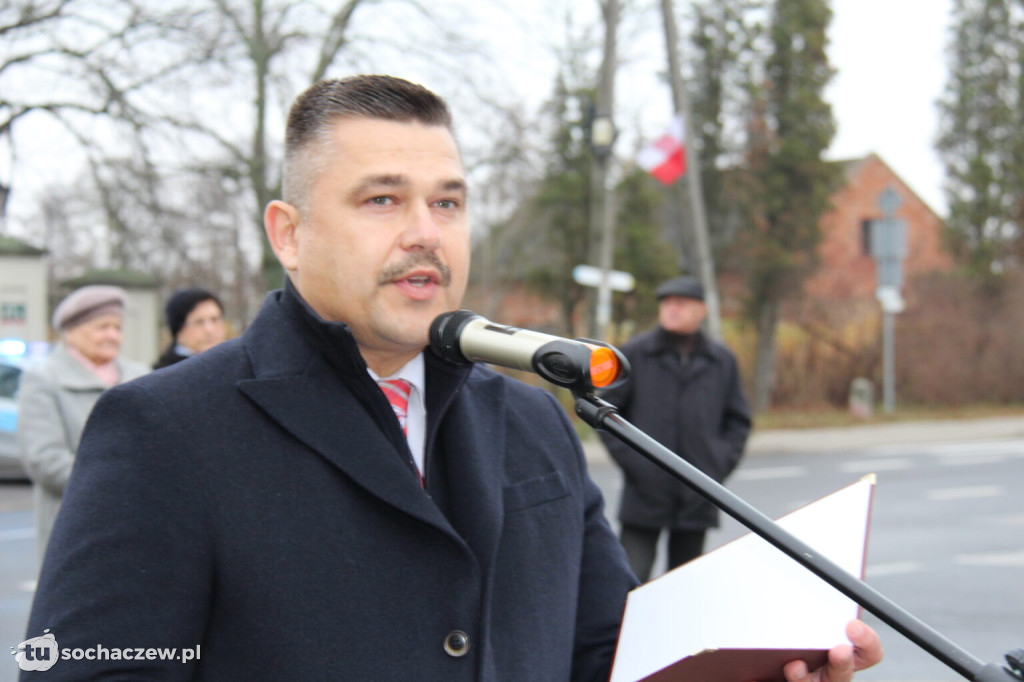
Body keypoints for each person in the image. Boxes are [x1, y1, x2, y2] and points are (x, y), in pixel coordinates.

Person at [23, 76, 881, 681]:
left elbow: (604, 659)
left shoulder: (534, 422)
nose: (426, 233)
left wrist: (750, 670)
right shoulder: (164, 430)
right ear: (289, 234)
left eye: (448, 202)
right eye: (382, 200)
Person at [599, 275, 752, 580]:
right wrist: (636, 463)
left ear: (701, 310)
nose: (671, 309)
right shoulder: (636, 353)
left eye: (680, 303)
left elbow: (738, 421)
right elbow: (605, 412)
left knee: (684, 584)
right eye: (666, 303)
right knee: (629, 582)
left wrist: (715, 466)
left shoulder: (721, 360)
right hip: (644, 493)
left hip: (697, 493)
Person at [17, 285, 149, 564]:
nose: (113, 335)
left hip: (142, 525)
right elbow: (45, 459)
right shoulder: (44, 379)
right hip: (76, 528)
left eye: (117, 327)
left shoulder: (140, 375)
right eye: (103, 327)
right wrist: (119, 487)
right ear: (72, 331)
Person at [153, 287, 227, 369]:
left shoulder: (232, 365)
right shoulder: (167, 373)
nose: (209, 329)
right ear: (179, 331)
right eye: (199, 322)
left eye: (215, 320)